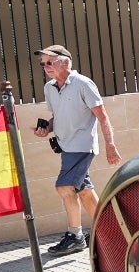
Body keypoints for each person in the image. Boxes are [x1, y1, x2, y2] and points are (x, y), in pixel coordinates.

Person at [32, 45, 122, 257]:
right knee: (84, 191)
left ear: (65, 62)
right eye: (43, 63)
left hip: (82, 147)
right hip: (65, 147)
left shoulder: (83, 84)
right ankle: (110, 231)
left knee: (64, 187)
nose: (46, 67)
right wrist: (46, 128)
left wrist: (110, 145)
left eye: (50, 62)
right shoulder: (49, 88)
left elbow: (103, 116)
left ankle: (76, 237)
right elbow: (57, 116)